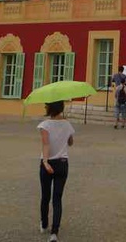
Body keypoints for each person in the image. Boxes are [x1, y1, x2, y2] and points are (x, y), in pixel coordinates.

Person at [38, 101, 75, 242]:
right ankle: (54, 233)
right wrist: (66, 133)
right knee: (57, 198)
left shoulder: (44, 125)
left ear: (49, 108)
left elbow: (46, 144)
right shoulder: (67, 124)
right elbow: (70, 143)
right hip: (62, 163)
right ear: (61, 108)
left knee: (45, 196)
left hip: (48, 163)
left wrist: (46, 162)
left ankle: (44, 223)